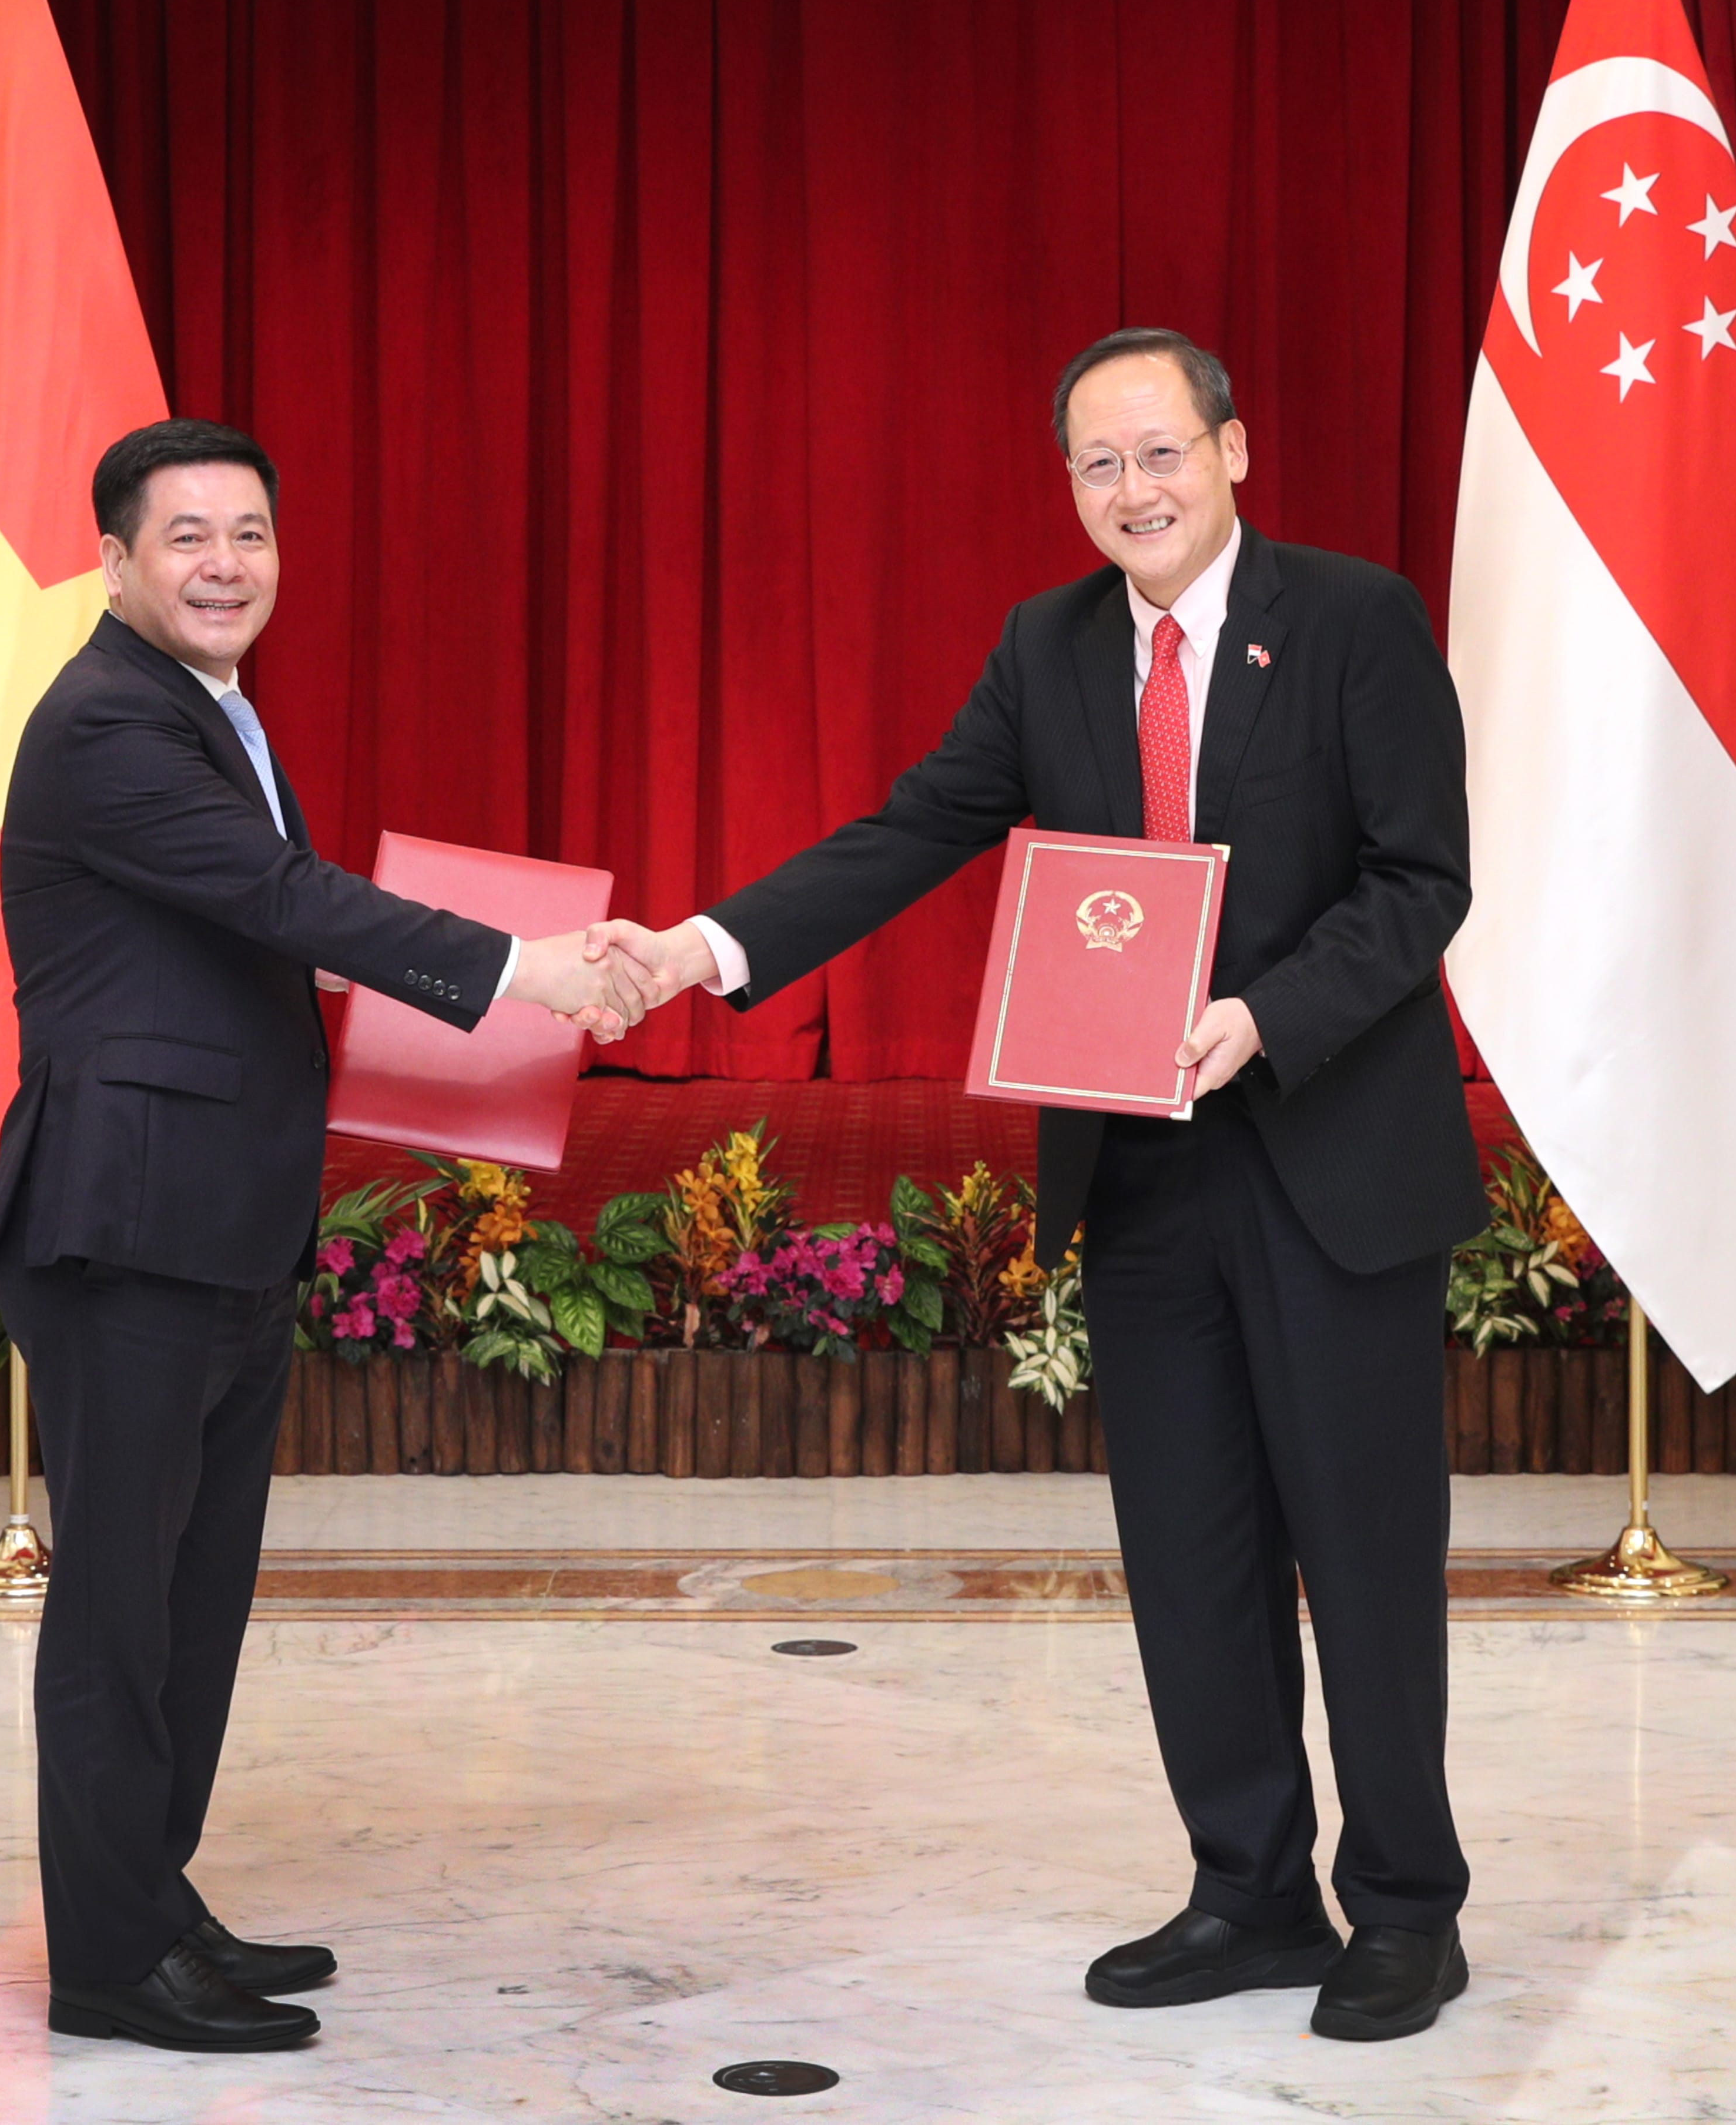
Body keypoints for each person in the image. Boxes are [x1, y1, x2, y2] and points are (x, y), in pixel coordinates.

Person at [594, 329, 1486, 2042]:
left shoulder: (1358, 618)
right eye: (1099, 463)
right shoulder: (1050, 646)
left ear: (1234, 448)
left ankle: (1407, 1908)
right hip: (1139, 1171)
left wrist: (1261, 1017)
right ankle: (1247, 1887)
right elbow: (915, 824)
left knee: (1364, 1550)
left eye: (1162, 452)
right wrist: (705, 945)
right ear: (1069, 484)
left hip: (1325, 1157)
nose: (1134, 489)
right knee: (1192, 1549)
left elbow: (1420, 875)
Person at [0, 417, 650, 2055]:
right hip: (131, 1223)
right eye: (188, 535)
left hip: (219, 1215)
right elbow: (292, 901)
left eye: (252, 534)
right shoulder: (105, 723)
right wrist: (526, 966)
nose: (226, 563)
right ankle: (105, 1958)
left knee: (195, 1595)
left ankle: (154, 1894)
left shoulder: (206, 703)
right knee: (124, 1607)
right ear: (118, 559)